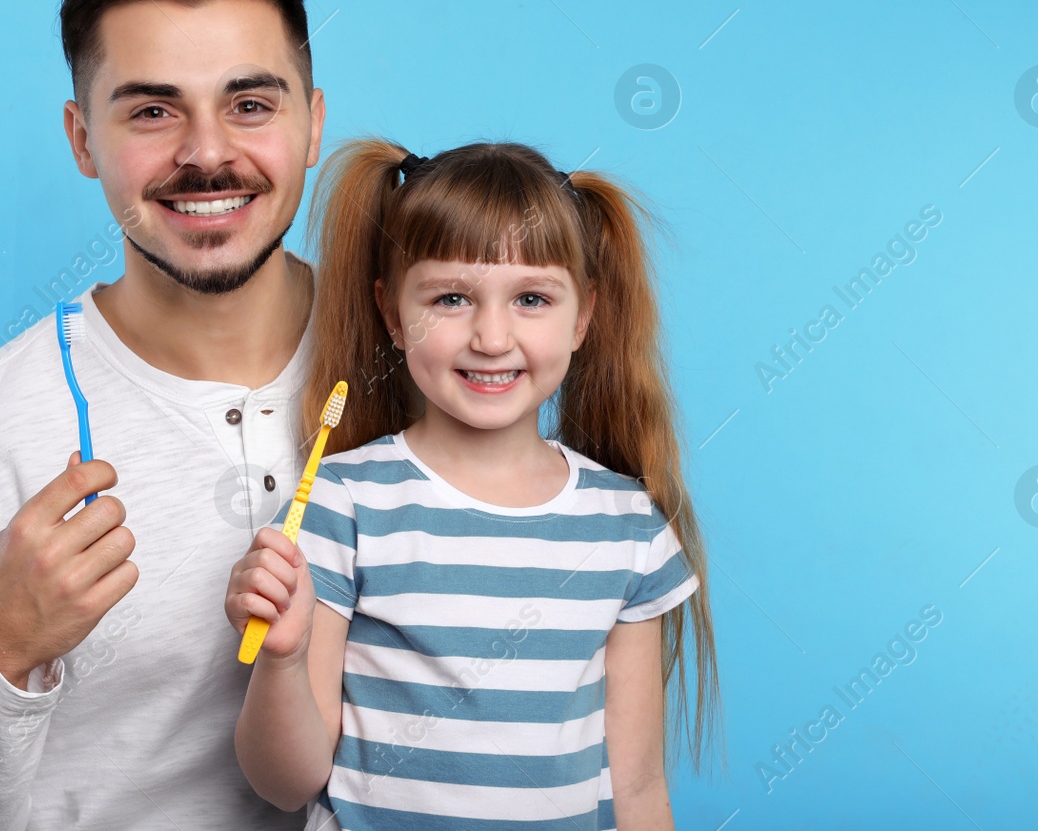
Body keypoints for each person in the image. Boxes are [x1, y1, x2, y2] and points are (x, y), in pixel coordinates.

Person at [0, 0, 323, 829]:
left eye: (250, 104)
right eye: (152, 110)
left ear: (312, 123)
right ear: (81, 139)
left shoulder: (435, 371)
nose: (208, 151)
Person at [224, 139, 721, 830]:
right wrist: (282, 658)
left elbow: (638, 792)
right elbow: (285, 783)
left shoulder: (627, 526)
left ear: (582, 316)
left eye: (531, 298)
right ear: (394, 314)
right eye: (452, 297)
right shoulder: (344, 505)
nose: (491, 336)